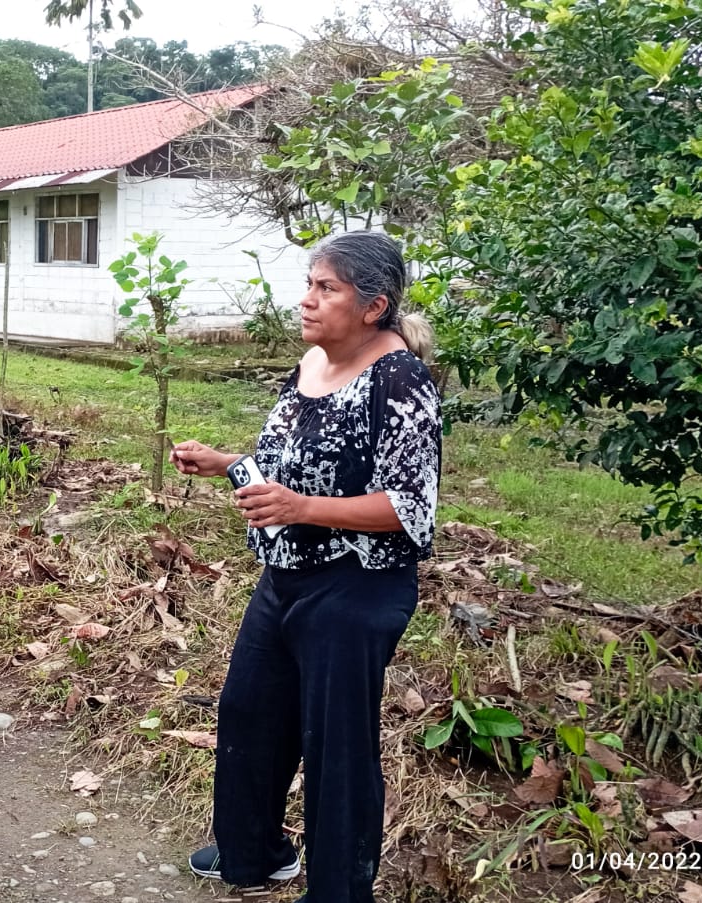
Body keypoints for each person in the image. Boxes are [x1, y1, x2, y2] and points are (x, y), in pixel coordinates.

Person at [169, 231, 441, 901]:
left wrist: (301, 506)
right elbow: (289, 461)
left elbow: (409, 507)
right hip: (285, 576)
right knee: (249, 711)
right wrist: (227, 463)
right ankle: (256, 853)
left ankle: (339, 891)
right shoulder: (312, 362)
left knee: (336, 746)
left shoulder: (399, 379)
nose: (307, 300)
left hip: (356, 588)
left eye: (327, 288)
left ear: (373, 307)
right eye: (309, 284)